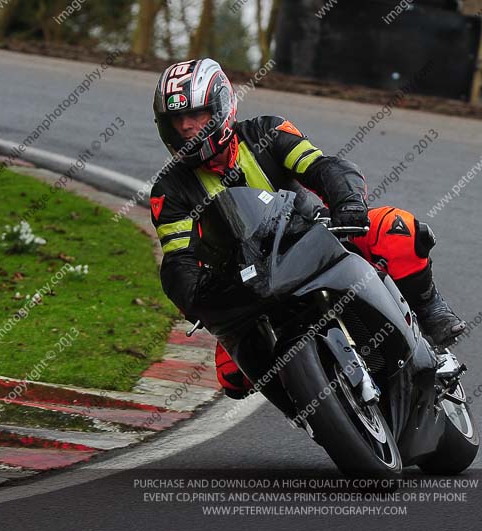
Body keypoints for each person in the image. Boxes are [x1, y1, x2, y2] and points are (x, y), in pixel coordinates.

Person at [150, 58, 465, 399]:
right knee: (232, 378)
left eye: (195, 115)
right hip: (249, 282)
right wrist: (195, 298)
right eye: (177, 120)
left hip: (315, 238)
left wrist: (347, 203)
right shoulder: (169, 191)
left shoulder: (267, 133)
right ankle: (319, 409)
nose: (185, 127)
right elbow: (178, 256)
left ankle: (430, 314)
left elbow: (323, 166)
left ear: (222, 106)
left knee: (395, 229)